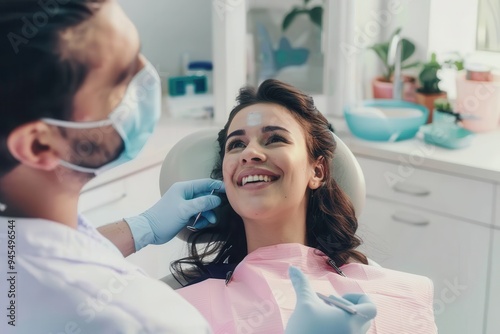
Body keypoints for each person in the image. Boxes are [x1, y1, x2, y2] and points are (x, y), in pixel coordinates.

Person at [0, 1, 375, 333]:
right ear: (38, 144)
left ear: (319, 170)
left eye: (274, 138)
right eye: (119, 78)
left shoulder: (391, 288)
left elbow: (38, 262)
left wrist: (141, 227)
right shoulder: (158, 316)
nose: (149, 79)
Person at [173, 79, 438, 333]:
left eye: (275, 139)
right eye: (237, 144)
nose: (249, 153)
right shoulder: (186, 310)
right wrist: (137, 232)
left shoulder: (392, 296)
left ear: (317, 171)